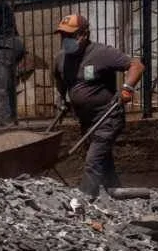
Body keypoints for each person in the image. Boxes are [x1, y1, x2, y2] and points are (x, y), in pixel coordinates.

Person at [52, 14, 145, 198]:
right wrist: (62, 99)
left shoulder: (102, 53)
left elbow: (137, 65)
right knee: (102, 157)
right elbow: (59, 78)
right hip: (86, 120)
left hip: (108, 116)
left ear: (84, 35)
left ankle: (86, 198)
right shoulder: (61, 58)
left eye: (71, 35)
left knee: (92, 160)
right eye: (63, 36)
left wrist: (127, 88)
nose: (66, 40)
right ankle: (114, 189)